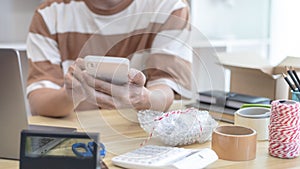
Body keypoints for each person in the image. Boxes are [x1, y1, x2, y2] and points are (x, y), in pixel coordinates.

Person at [26, 0, 192, 117]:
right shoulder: (49, 13)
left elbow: (166, 90)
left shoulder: (169, 6)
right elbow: (38, 101)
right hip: (77, 138)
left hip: (137, 138)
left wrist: (143, 98)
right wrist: (70, 95)